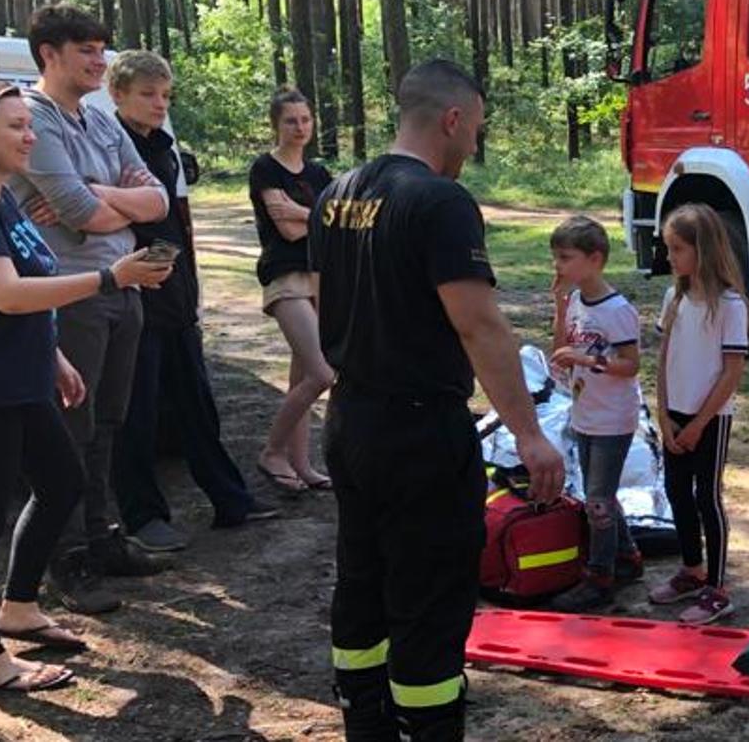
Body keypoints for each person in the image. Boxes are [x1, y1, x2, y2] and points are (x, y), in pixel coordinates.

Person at [312, 59, 566, 741]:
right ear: (452, 120)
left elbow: (323, 303)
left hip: (350, 421)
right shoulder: (439, 203)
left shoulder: (334, 194)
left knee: (361, 580)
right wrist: (531, 434)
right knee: (428, 601)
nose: (474, 146)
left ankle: (364, 722)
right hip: (420, 434)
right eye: (476, 130)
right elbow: (478, 323)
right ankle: (428, 728)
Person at [0, 79, 173, 692]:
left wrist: (53, 356)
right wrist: (110, 278)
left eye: (30, 125)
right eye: (14, 126)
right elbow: (3, 293)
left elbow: (22, 290)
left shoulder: (2, 201)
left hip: (22, 378)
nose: (29, 136)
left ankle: (19, 606)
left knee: (62, 482)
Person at [8, 3, 171, 615]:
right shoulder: (35, 120)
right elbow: (82, 216)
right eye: (88, 51)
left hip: (121, 287)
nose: (101, 61)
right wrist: (107, 203)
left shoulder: (100, 122)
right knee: (71, 428)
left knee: (109, 422)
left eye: (103, 50)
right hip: (70, 292)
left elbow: (155, 198)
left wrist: (102, 194)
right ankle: (67, 556)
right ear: (50, 54)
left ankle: (102, 539)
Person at [107, 50, 278, 552]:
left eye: (165, 95)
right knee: (136, 414)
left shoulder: (162, 143)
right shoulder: (110, 145)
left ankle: (231, 499)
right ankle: (143, 517)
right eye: (148, 95)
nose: (160, 104)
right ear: (117, 95)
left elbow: (173, 220)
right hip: (136, 293)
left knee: (196, 406)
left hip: (176, 294)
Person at [650, 204, 749, 625]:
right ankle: (692, 569)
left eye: (677, 249)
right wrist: (664, 415)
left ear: (703, 250)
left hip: (709, 419)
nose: (670, 257)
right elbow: (663, 358)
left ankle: (718, 587)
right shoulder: (674, 296)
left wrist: (698, 423)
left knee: (706, 497)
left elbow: (731, 372)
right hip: (674, 416)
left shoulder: (730, 304)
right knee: (676, 492)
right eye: (669, 248)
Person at [544, 215, 645, 613]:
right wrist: (558, 304)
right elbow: (560, 347)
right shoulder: (575, 303)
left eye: (566, 258)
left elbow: (631, 363)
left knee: (598, 501)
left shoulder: (617, 310)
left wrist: (587, 359)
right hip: (585, 411)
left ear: (595, 259)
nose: (559, 266)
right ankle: (627, 556)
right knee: (597, 494)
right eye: (556, 258)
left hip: (613, 417)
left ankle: (599, 577)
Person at [248, 89, 335, 493]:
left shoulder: (319, 175)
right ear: (275, 124)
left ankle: (302, 466)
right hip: (285, 277)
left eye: (305, 119)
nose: (300, 128)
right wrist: (316, 219)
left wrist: (304, 214)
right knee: (322, 372)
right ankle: (272, 451)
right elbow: (285, 230)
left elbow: (337, 227)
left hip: (319, 277)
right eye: (290, 121)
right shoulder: (265, 168)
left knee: (302, 375)